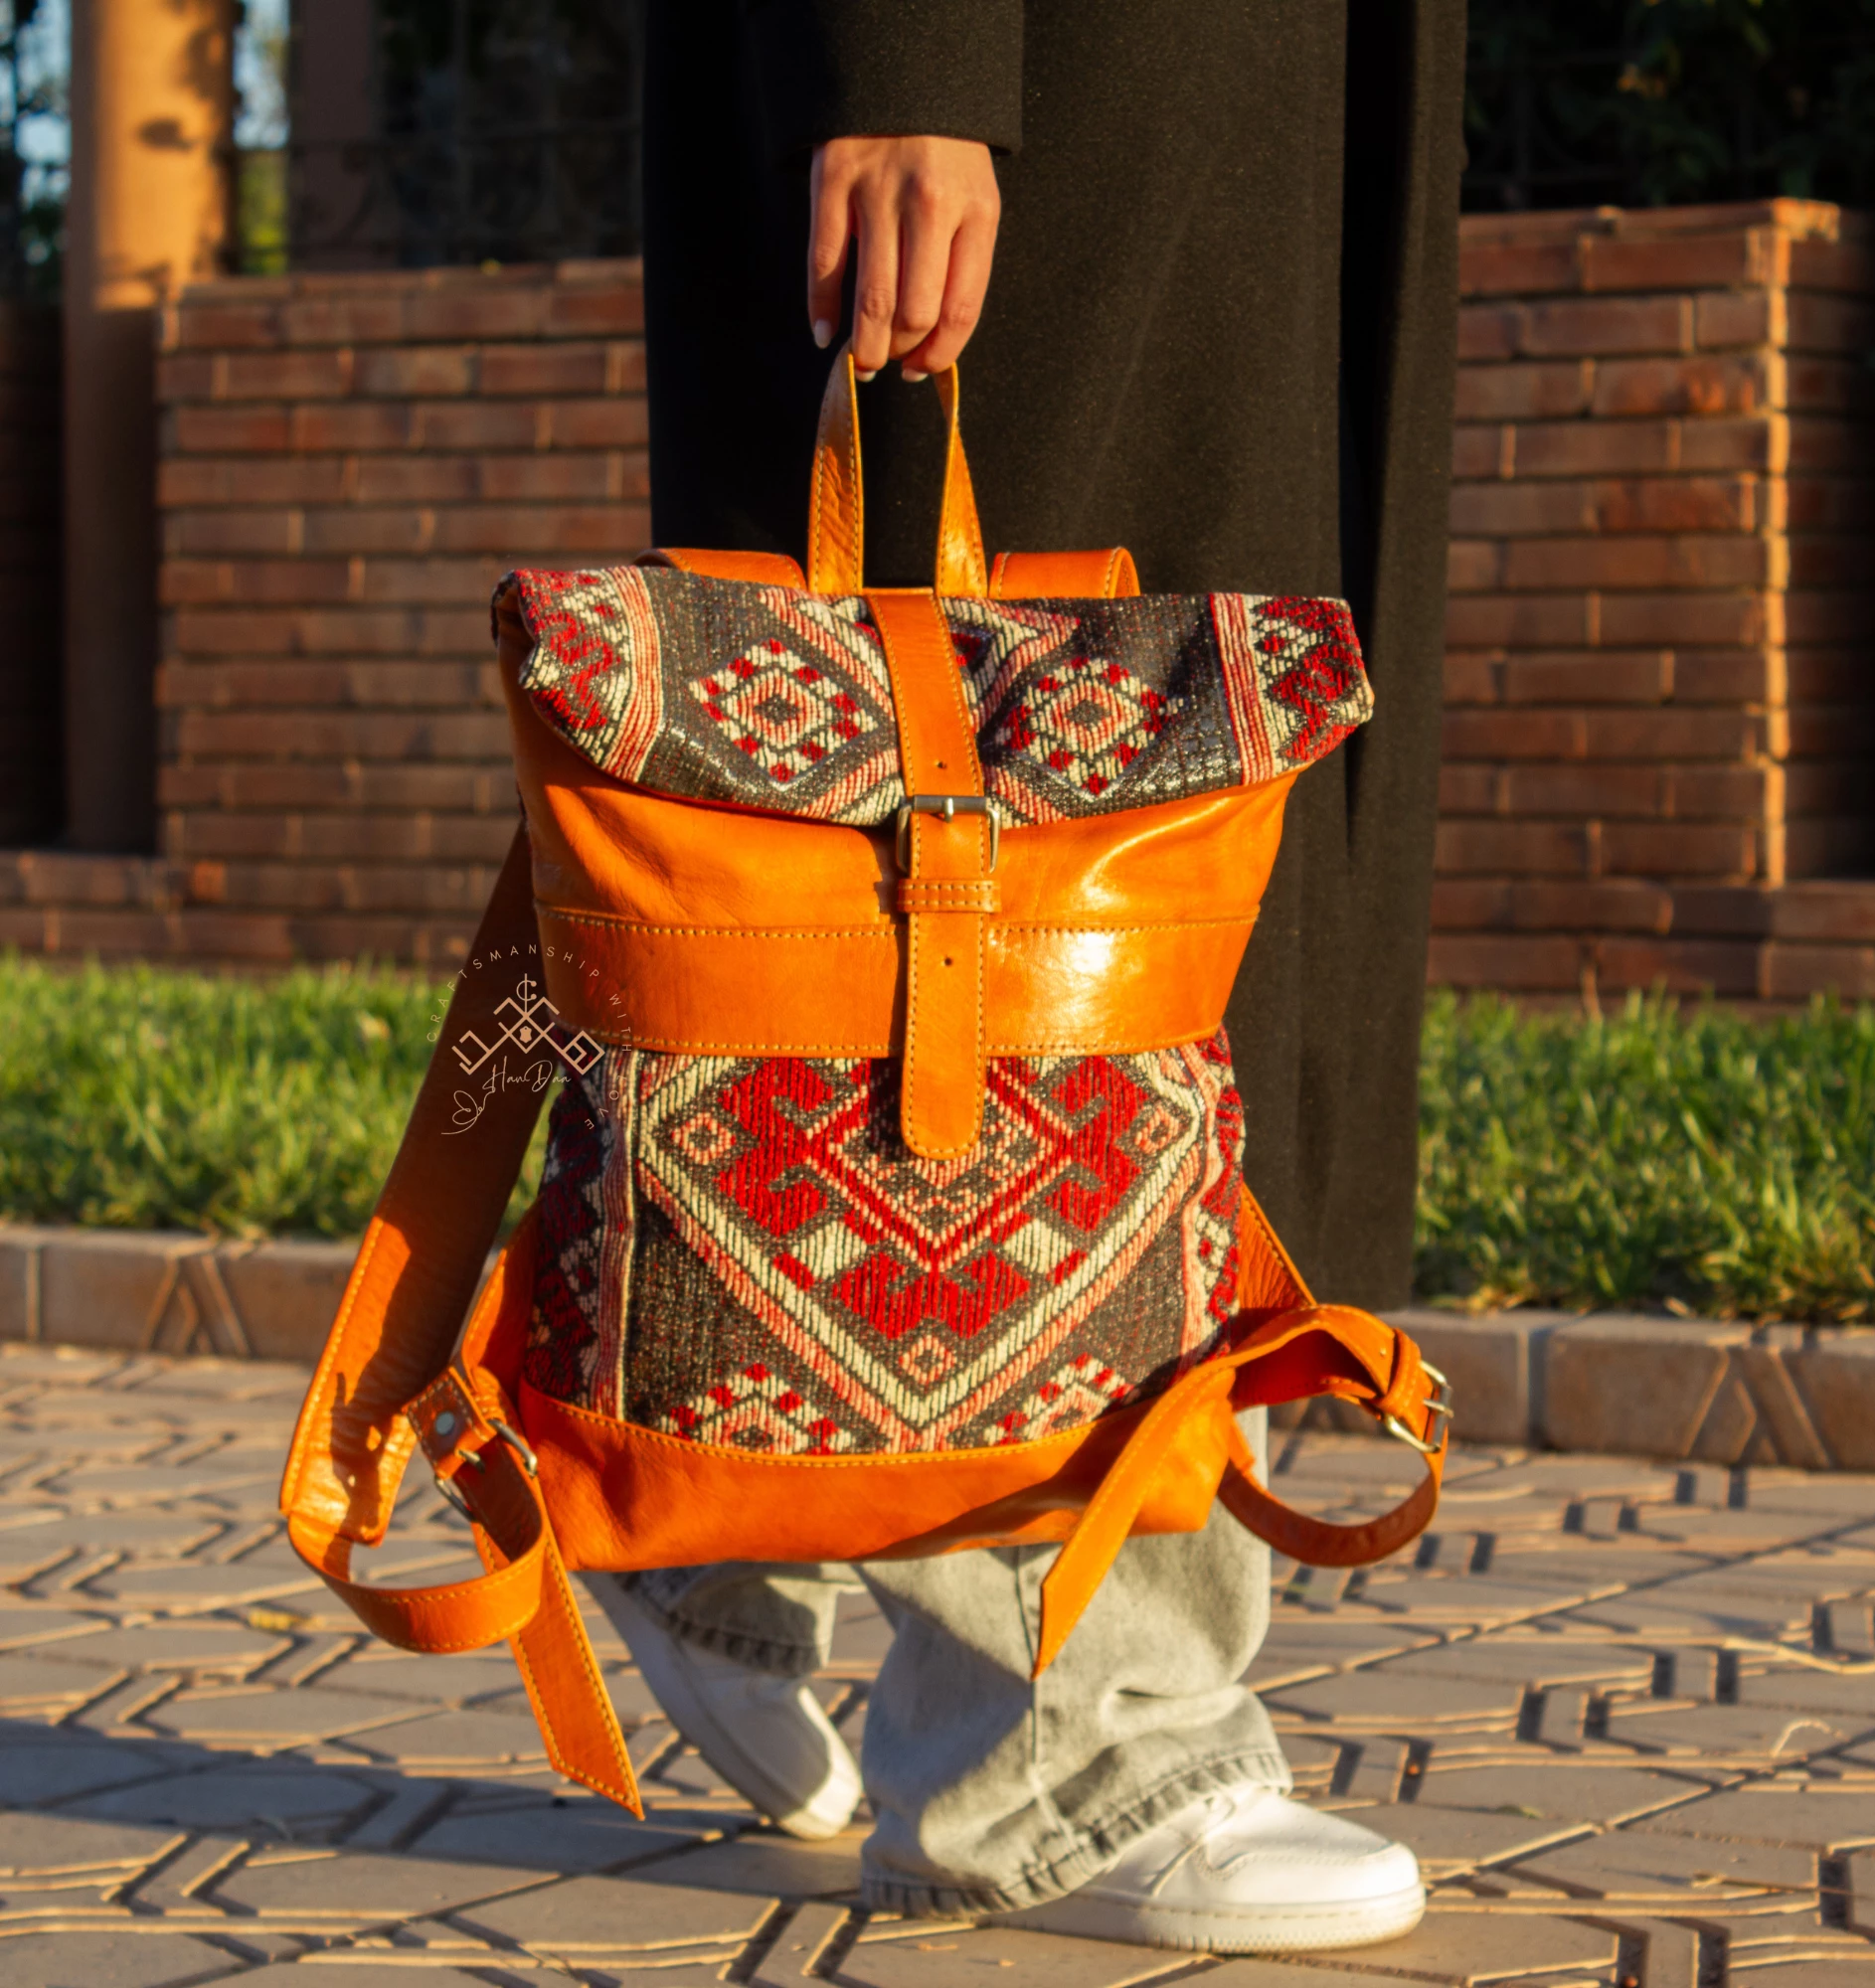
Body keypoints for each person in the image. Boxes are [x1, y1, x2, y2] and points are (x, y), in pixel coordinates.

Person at [589, 0, 1468, 1953]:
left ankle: (719, 1474)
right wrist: (901, 54)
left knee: (1149, 812)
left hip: (1235, 89)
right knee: (1019, 828)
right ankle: (1069, 1748)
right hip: (1049, 74)